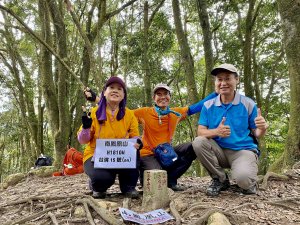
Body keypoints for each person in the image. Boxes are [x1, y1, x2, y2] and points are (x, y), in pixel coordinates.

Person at [84, 83, 218, 191]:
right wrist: (96, 98)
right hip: (147, 154)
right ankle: (145, 178)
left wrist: (217, 92)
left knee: (192, 146)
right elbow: (122, 110)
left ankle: (171, 181)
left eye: (165, 94)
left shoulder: (175, 113)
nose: (162, 97)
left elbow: (196, 107)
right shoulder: (144, 112)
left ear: (170, 97)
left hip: (165, 153)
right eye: (158, 94)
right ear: (154, 98)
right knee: (155, 178)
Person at [192, 63, 268, 196]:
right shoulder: (208, 105)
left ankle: (249, 181)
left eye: (227, 78)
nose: (223, 83)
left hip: (242, 151)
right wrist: (216, 132)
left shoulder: (248, 103)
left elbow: (257, 133)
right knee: (198, 142)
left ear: (236, 80)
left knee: (244, 181)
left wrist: (262, 128)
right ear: (215, 82)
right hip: (218, 151)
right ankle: (221, 179)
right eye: (219, 79)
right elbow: (201, 132)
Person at [77, 76, 142, 199]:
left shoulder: (129, 114)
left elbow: (135, 136)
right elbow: (82, 140)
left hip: (120, 155)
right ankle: (97, 186)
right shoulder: (94, 113)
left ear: (123, 95)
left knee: (135, 151)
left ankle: (128, 187)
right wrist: (86, 128)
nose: (115, 91)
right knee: (103, 179)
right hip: (94, 156)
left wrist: (138, 142)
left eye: (119, 89)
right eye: (111, 87)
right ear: (104, 93)